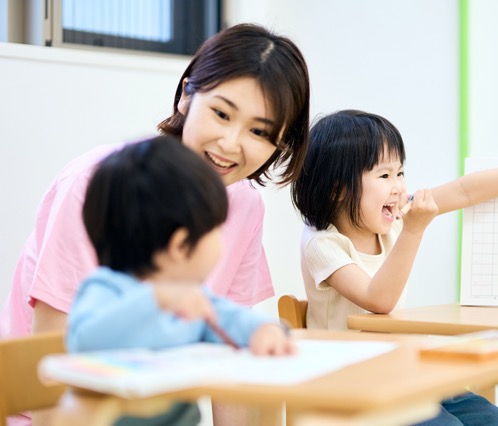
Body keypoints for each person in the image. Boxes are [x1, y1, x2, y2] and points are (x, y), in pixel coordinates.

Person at [1, 23, 309, 426]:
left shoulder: (245, 203)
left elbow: (229, 349)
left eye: (258, 131)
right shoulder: (98, 185)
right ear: (186, 95)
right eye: (220, 113)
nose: (231, 143)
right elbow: (50, 364)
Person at [291, 109, 498, 425]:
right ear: (337, 189)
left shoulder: (392, 219)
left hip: (401, 369)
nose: (399, 187)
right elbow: (378, 300)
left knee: (495, 421)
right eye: (384, 175)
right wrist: (414, 230)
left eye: (401, 173)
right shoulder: (322, 244)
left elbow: (465, 191)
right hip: (351, 384)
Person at [67, 136, 294, 426]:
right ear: (181, 245)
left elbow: (225, 319)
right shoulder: (104, 288)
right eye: (215, 229)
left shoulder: (192, 297)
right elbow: (86, 342)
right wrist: (157, 299)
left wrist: (262, 331)